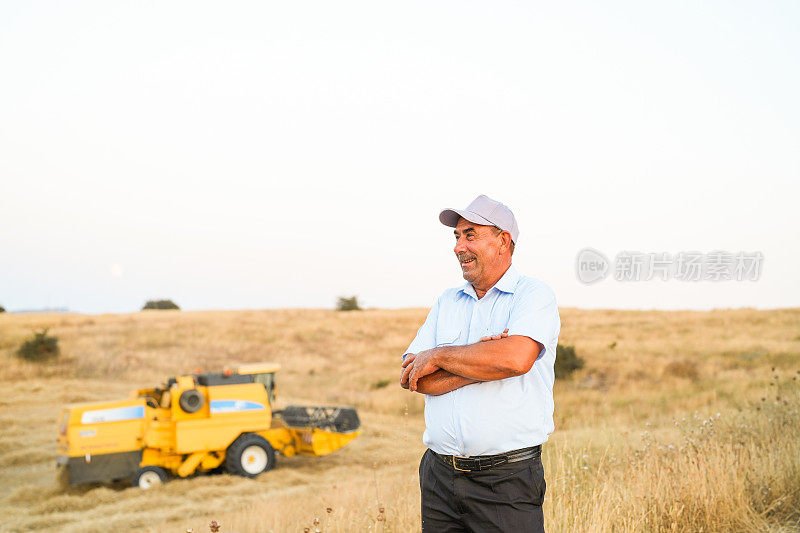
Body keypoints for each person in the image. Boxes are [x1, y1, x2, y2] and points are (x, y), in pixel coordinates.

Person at [400, 194, 561, 532]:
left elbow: (516, 358)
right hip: (439, 478)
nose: (458, 247)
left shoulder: (533, 295)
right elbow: (415, 377)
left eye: (470, 234)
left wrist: (441, 356)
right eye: (457, 237)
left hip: (506, 480)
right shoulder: (447, 302)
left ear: (503, 241)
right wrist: (485, 362)